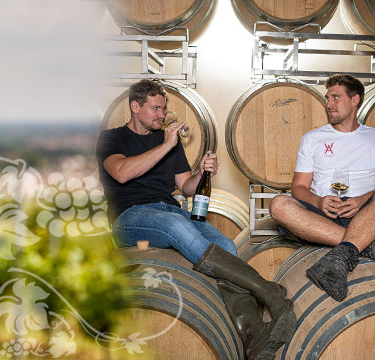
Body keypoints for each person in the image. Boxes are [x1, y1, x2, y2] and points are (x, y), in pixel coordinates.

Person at [98, 79, 295, 360]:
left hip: (170, 209)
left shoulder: (169, 142)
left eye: (163, 109)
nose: (161, 115)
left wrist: (202, 173)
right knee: (175, 226)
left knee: (224, 242)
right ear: (135, 106)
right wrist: (167, 145)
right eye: (155, 108)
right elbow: (121, 173)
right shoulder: (112, 138)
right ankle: (268, 291)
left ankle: (254, 334)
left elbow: (186, 187)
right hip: (130, 217)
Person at [268, 74, 375, 302]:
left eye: (335, 98)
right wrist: (317, 201)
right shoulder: (313, 139)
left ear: (355, 100)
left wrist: (361, 200)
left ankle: (347, 250)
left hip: (368, 213)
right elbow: (299, 188)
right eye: (327, 98)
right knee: (279, 205)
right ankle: (369, 245)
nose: (329, 104)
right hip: (322, 216)